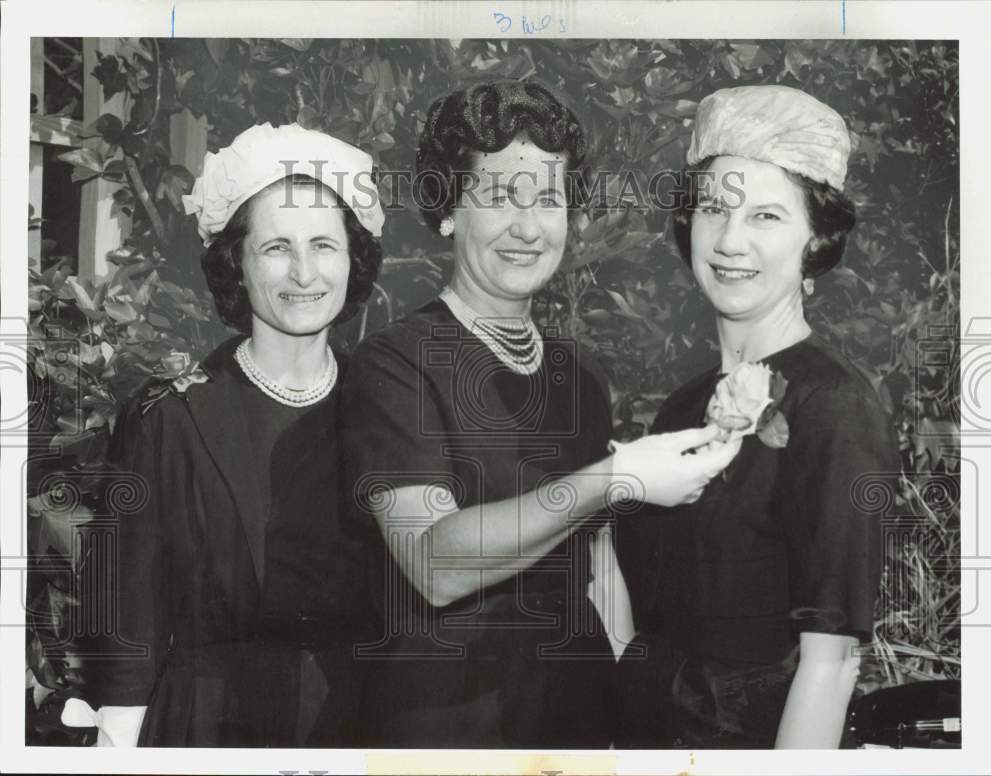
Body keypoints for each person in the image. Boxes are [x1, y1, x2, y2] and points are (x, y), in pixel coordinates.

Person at [339, 79, 740, 748]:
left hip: (574, 725)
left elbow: (595, 561)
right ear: (445, 211)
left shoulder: (578, 374)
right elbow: (434, 565)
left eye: (548, 199)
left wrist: (624, 698)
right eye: (500, 197)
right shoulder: (395, 363)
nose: (528, 227)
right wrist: (613, 477)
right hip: (448, 730)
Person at [61, 123, 384, 746]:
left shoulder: (385, 407)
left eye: (323, 245)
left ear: (353, 259)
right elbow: (129, 622)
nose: (303, 272)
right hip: (207, 728)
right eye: (275, 248)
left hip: (358, 726)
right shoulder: (170, 416)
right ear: (235, 259)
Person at [615, 85, 899, 749]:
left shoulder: (834, 407)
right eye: (714, 209)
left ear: (817, 239)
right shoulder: (682, 406)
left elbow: (829, 665)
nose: (730, 241)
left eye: (767, 216)